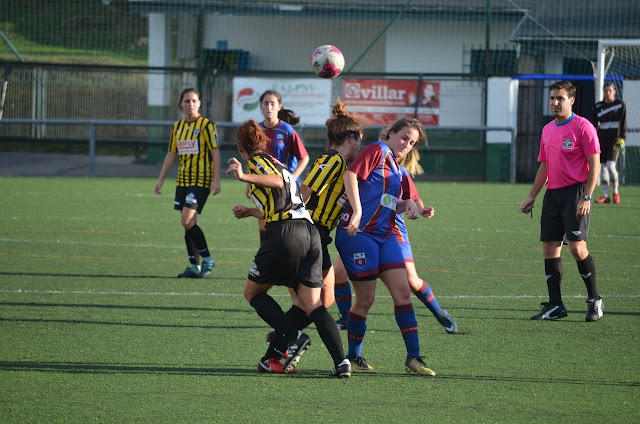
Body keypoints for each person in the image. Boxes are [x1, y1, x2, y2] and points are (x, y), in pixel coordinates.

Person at [226, 119, 351, 378]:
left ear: (241, 148)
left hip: (286, 234)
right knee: (313, 305)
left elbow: (276, 183)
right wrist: (252, 211)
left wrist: (242, 175)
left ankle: (293, 337)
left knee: (253, 293)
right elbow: (284, 197)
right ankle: (342, 362)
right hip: (310, 233)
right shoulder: (278, 162)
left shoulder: (258, 162)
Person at [258, 98, 363, 373]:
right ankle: (283, 345)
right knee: (313, 305)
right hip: (308, 234)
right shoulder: (332, 160)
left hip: (318, 236)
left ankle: (283, 339)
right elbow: (303, 192)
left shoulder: (341, 164)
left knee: (319, 303)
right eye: (360, 141)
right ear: (351, 138)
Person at [335, 116, 437, 376]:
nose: (406, 144)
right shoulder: (377, 150)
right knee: (366, 300)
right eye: (404, 137)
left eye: (411, 142)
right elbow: (350, 175)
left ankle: (413, 358)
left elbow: (387, 201)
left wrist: (409, 205)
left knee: (403, 295)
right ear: (390, 134)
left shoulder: (394, 164)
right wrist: (356, 211)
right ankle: (353, 356)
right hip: (359, 235)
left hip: (385, 236)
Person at [520, 80, 603, 322]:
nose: (555, 103)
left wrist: (587, 195)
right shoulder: (547, 129)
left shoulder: (583, 127)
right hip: (552, 195)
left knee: (578, 249)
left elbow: (595, 164)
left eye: (560, 98)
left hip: (576, 193)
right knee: (549, 249)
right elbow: (544, 166)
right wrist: (532, 196)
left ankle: (594, 300)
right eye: (552, 98)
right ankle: (556, 305)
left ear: (571, 100)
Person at [154, 88, 220, 278]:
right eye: (186, 101)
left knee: (186, 219)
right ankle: (194, 266)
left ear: (199, 103)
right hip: (183, 180)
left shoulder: (207, 126)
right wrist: (160, 180)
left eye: (194, 101)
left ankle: (207, 258)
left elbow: (215, 152)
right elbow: (171, 154)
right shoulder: (177, 127)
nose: (190, 104)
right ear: (180, 104)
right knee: (189, 223)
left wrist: (216, 180)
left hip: (201, 180)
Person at [252, 90, 310, 241]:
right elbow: (253, 159)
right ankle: (265, 261)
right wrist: (249, 183)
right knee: (263, 223)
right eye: (266, 103)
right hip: (265, 184)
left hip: (286, 188)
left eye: (273, 103)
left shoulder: (286, 130)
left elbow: (304, 158)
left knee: (283, 224)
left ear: (279, 106)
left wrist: (291, 178)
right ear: (261, 106)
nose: (269, 107)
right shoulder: (256, 131)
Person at [591, 82, 627, 204]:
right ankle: (605, 196)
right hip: (601, 141)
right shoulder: (598, 106)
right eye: (605, 90)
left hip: (615, 140)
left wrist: (622, 138)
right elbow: (593, 125)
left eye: (610, 90)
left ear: (614, 92)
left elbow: (623, 123)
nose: (607, 93)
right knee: (602, 168)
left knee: (611, 166)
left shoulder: (620, 105)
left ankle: (615, 193)